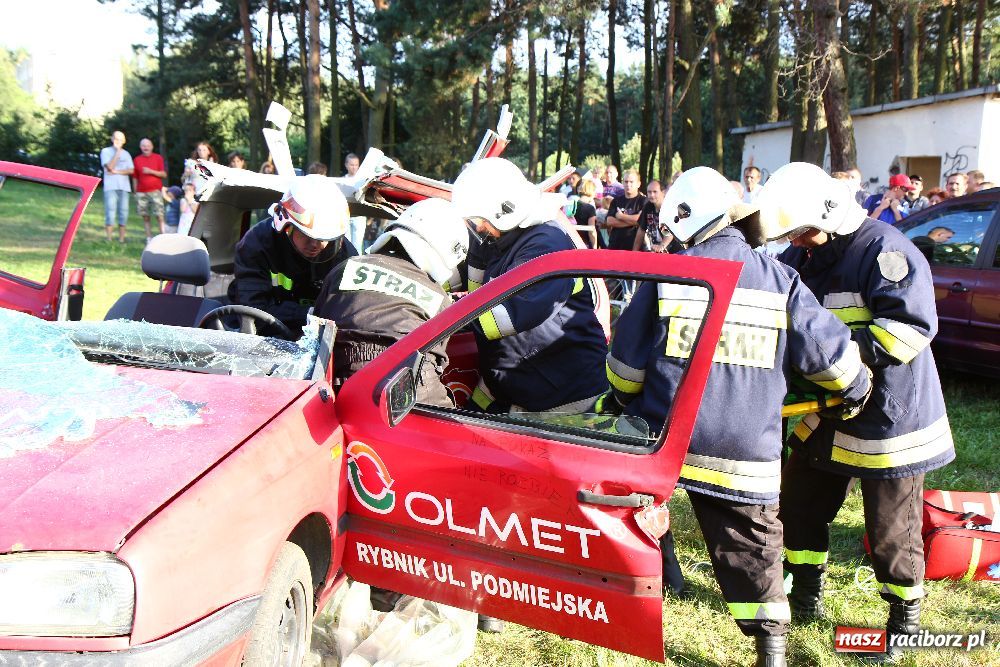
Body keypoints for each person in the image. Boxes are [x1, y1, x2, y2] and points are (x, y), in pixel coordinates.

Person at [604, 166, 872, 667]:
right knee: (754, 543)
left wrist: (623, 403)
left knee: (638, 508)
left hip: (667, 444)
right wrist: (858, 387)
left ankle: (659, 583)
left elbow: (624, 370)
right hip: (745, 450)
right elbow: (831, 358)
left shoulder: (666, 274)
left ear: (684, 220)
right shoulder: (780, 278)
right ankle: (770, 648)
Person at [760, 162, 955, 662]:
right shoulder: (803, 254)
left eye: (802, 231)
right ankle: (805, 593)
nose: (797, 241)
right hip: (824, 412)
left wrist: (836, 355)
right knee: (800, 508)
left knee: (892, 530)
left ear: (827, 216)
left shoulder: (886, 251)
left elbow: (907, 331)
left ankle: (904, 620)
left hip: (888, 418)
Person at [451, 157, 609, 414]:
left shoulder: (547, 245)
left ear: (505, 209)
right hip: (515, 384)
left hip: (565, 398)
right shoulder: (496, 240)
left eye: (479, 220)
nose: (477, 227)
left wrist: (443, 313)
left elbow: (509, 314)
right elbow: (472, 286)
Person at [314, 198, 468, 405]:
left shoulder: (343, 268)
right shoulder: (438, 296)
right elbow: (437, 360)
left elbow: (316, 333)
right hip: (407, 384)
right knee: (452, 432)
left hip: (336, 382)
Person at [228, 176, 358, 337]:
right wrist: (310, 313)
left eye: (323, 238)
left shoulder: (345, 255)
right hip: (263, 336)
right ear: (286, 226)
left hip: (320, 341)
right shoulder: (256, 245)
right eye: (307, 236)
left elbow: (349, 313)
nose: (315, 245)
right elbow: (252, 312)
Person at [100, 130, 134, 243]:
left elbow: (131, 170)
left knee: (123, 212)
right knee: (110, 211)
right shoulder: (105, 151)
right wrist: (118, 153)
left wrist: (116, 171)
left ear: (124, 141)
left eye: (120, 139)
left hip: (124, 187)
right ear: (112, 139)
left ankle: (121, 239)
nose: (118, 141)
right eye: (116, 138)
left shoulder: (127, 154)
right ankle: (109, 238)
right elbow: (109, 167)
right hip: (110, 187)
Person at [132, 138, 167, 241]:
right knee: (145, 217)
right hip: (141, 193)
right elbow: (134, 177)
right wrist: (135, 192)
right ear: (140, 147)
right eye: (143, 145)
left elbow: (164, 174)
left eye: (148, 145)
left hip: (155, 191)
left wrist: (151, 171)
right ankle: (149, 239)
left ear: (151, 147)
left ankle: (163, 237)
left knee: (159, 216)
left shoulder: (158, 158)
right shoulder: (137, 159)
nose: (145, 147)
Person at [603, 169, 647, 251]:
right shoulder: (616, 201)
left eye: (631, 182)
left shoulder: (644, 201)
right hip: (615, 246)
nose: (628, 184)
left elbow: (642, 220)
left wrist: (621, 216)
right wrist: (635, 222)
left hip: (636, 248)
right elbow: (609, 221)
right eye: (626, 182)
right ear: (622, 183)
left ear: (638, 184)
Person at [632, 179, 677, 253]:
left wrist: (662, 246)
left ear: (663, 192)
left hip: (674, 253)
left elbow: (670, 232)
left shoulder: (669, 208)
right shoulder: (648, 207)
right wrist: (634, 252)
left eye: (655, 192)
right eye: (649, 192)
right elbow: (641, 230)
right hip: (656, 252)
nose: (651, 195)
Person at [344, 153, 367, 251]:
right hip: (346, 216)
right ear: (346, 165)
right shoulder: (342, 181)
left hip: (359, 216)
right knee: (346, 244)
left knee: (357, 246)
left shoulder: (363, 181)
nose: (354, 167)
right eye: (351, 165)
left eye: (356, 165)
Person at [571, 178, 599, 248]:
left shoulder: (571, 205)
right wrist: (594, 246)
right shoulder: (590, 208)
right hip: (584, 244)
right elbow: (591, 230)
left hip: (571, 241)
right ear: (592, 191)